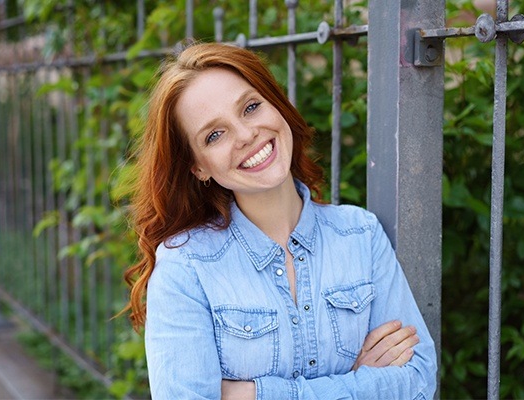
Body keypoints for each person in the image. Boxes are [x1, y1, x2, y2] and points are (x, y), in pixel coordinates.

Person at [124, 42, 437, 399]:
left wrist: (250, 394)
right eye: (214, 135)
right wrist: (360, 382)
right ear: (198, 167)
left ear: (277, 104)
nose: (246, 135)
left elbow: (419, 381)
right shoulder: (187, 266)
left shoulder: (360, 236)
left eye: (251, 107)